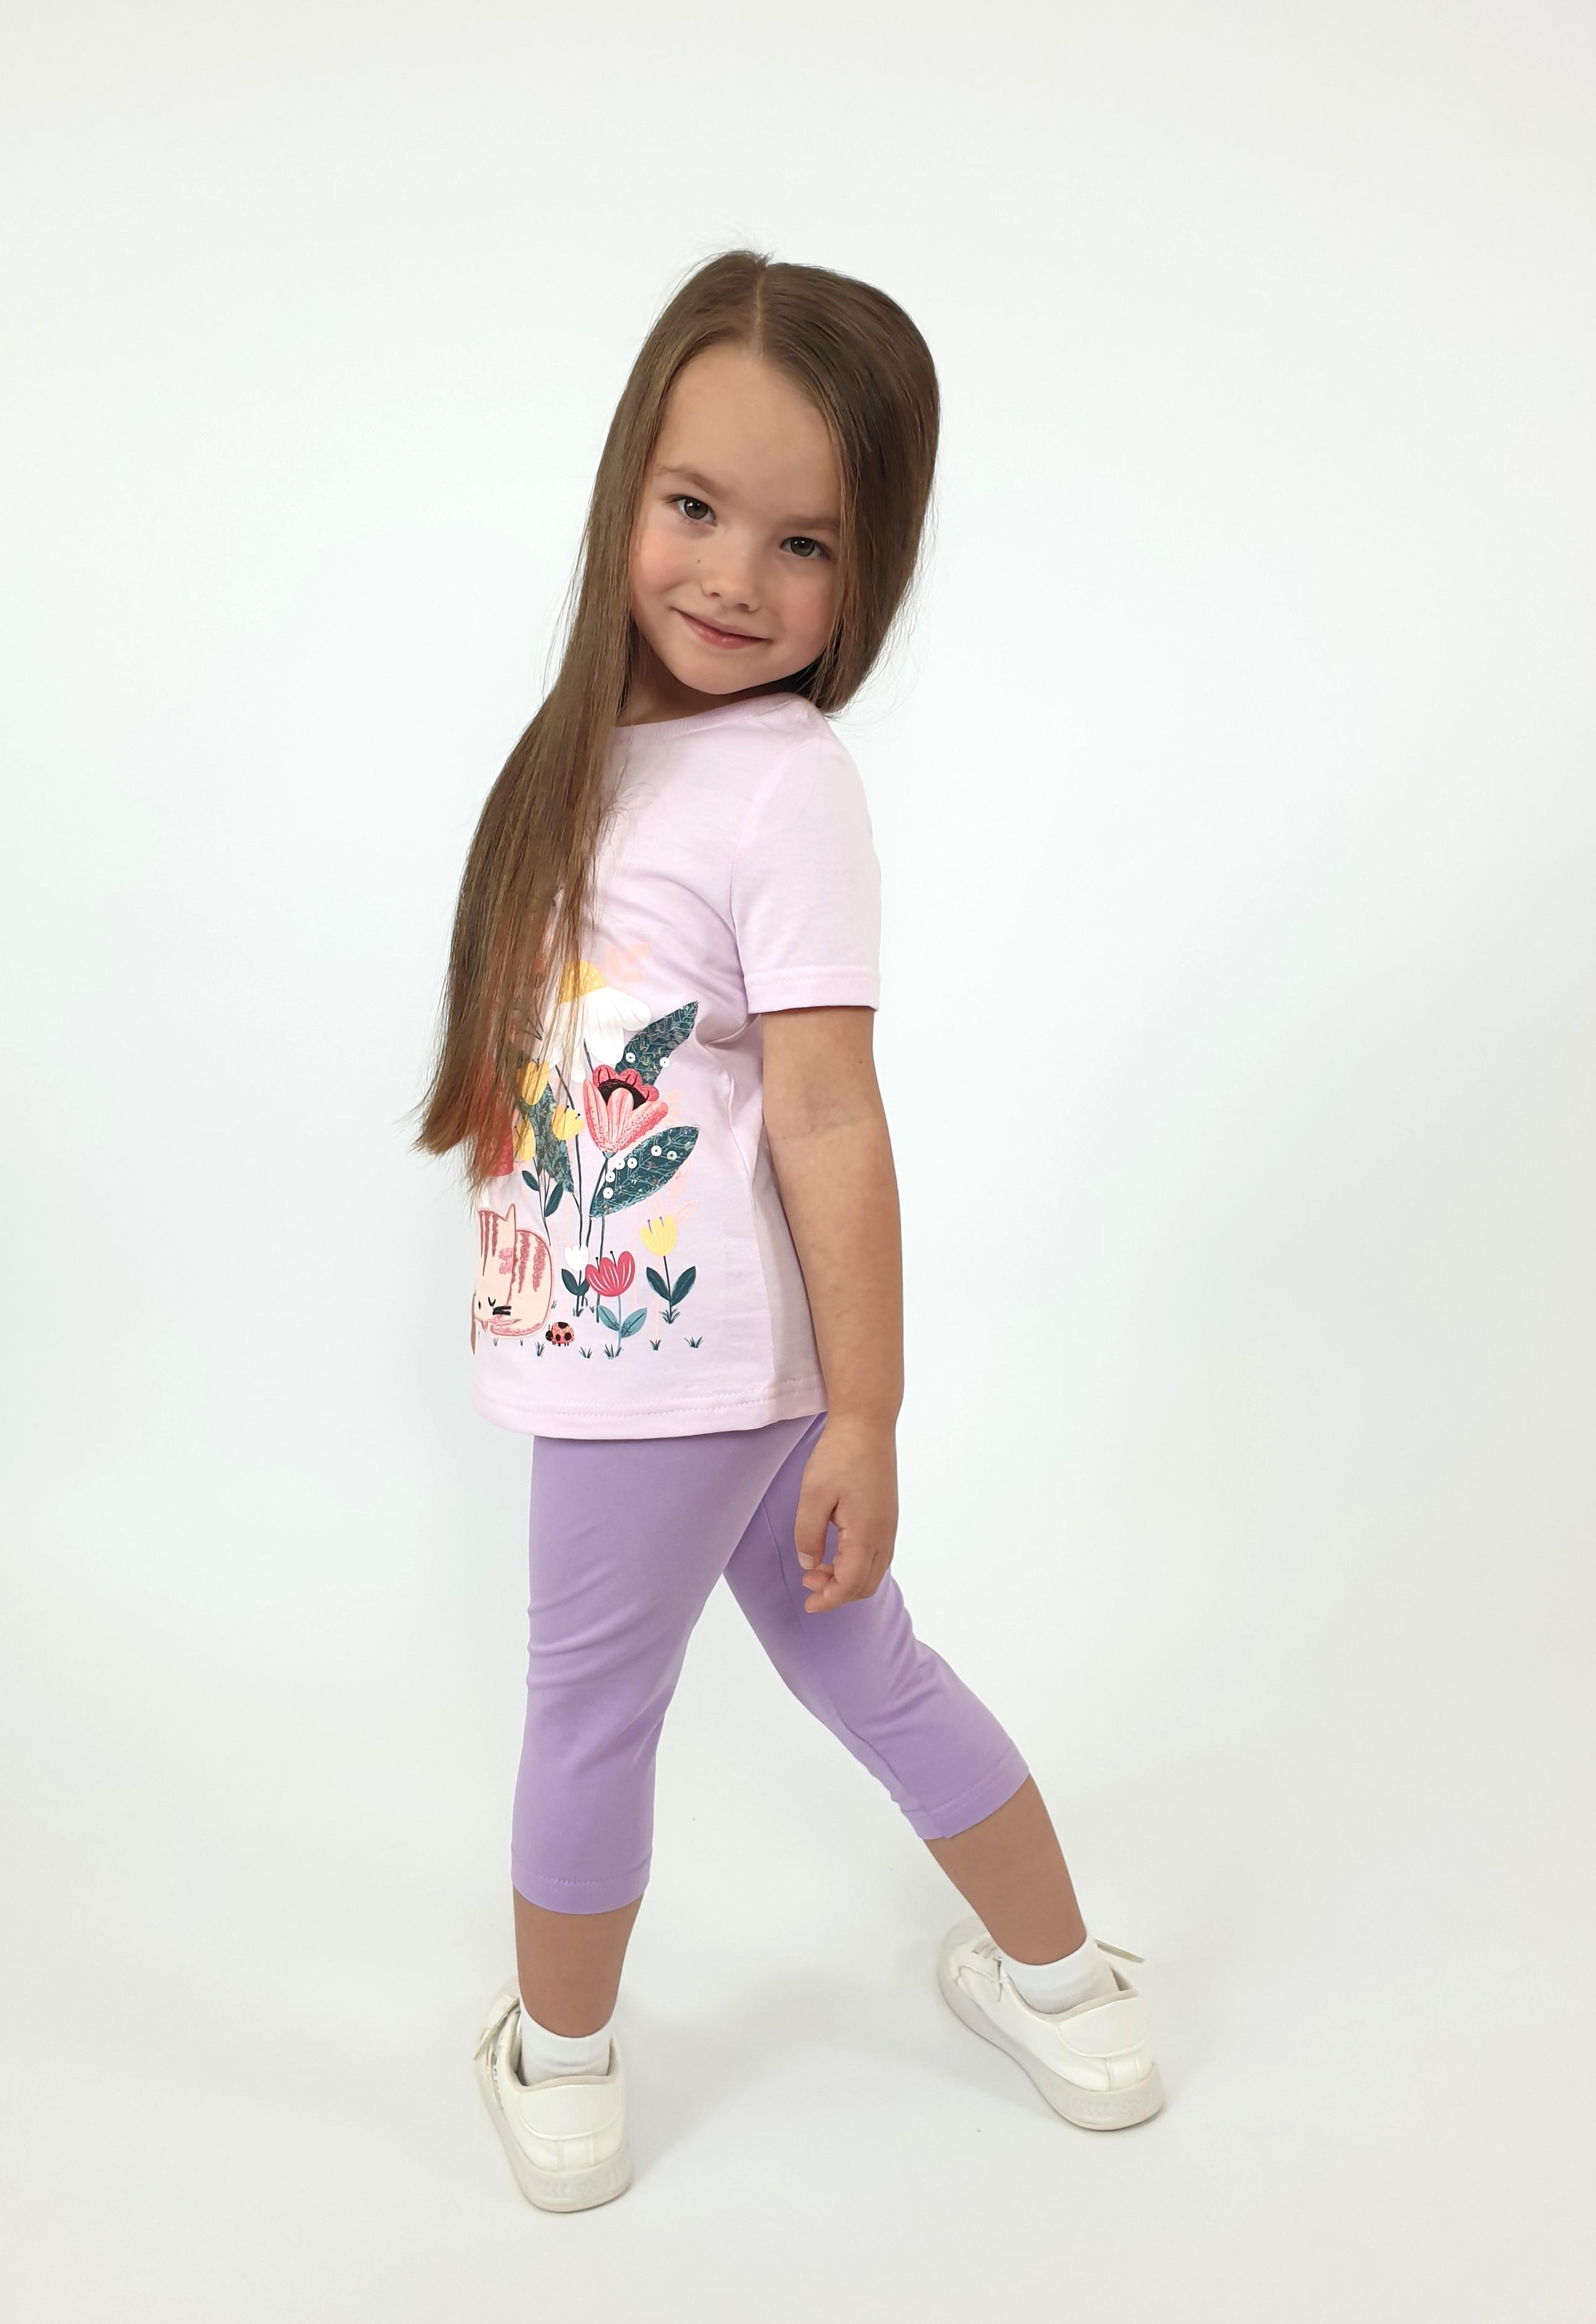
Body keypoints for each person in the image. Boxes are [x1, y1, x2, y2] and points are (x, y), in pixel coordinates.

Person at [415, 247, 1164, 2212]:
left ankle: (563, 2072)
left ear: (869, 569)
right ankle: (1073, 1992)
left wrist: (871, 1412)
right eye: (696, 507)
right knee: (864, 1666)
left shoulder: (783, 784)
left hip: (673, 1372)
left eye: (805, 542)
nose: (736, 575)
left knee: (589, 1706)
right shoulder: (587, 758)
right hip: (684, 1358)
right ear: (625, 492)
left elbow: (830, 1112)